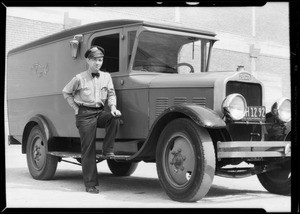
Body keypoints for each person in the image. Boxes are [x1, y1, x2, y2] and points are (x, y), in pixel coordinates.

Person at [62, 46, 121, 194]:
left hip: (100, 112)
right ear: (88, 60)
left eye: (100, 60)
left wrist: (113, 107)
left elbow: (112, 93)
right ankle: (90, 184)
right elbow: (66, 92)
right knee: (88, 149)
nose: (98, 63)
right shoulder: (79, 78)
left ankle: (108, 150)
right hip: (85, 114)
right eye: (94, 60)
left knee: (115, 118)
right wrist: (76, 109)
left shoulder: (106, 77)